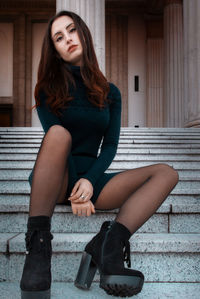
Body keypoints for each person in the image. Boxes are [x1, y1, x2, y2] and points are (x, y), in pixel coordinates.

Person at [19, 10, 179, 299]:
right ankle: (39, 246)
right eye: (59, 37)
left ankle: (109, 243)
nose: (68, 39)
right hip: (56, 178)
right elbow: (56, 139)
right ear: (54, 50)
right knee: (58, 134)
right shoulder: (46, 89)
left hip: (92, 181)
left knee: (167, 173)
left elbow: (110, 146)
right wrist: (75, 187)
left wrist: (90, 181)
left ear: (83, 34)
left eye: (71, 30)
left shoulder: (111, 93)